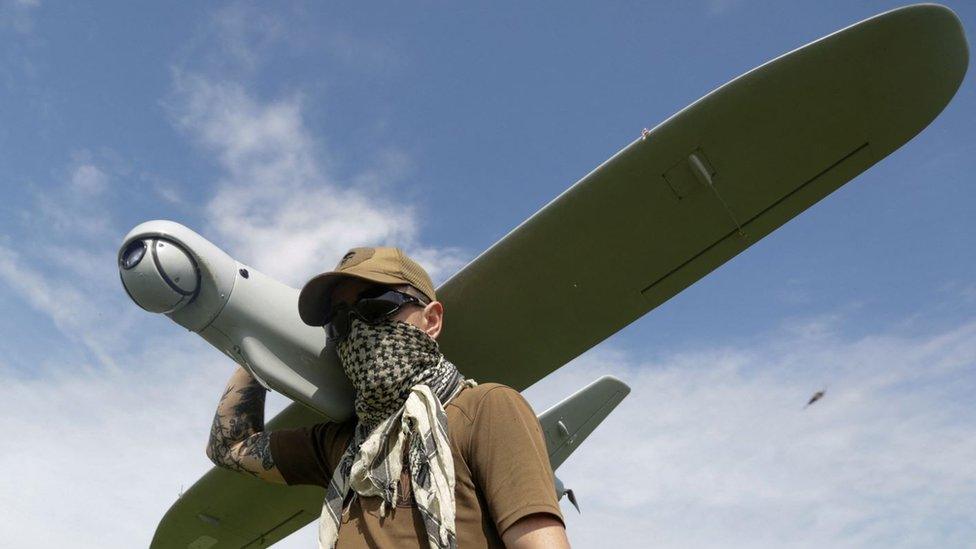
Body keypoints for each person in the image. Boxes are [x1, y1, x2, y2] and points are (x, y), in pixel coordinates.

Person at [206, 247, 570, 549]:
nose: (360, 330)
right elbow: (230, 446)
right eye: (340, 323)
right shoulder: (343, 448)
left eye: (377, 306)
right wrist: (259, 342)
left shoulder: (484, 409)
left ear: (432, 320)